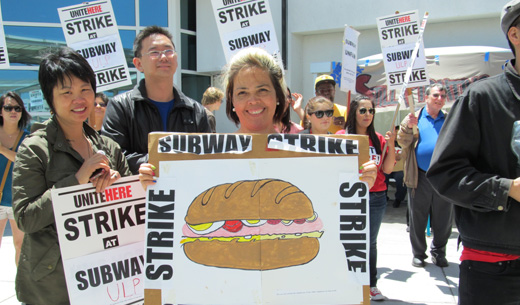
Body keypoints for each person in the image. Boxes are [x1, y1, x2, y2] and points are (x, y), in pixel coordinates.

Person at [139, 48, 378, 192]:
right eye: (242, 92)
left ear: (278, 97)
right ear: (232, 101)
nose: (253, 101)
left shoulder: (306, 153)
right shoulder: (207, 157)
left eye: (262, 90)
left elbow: (328, 201)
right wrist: (157, 182)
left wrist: (357, 181)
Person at [12, 47, 131, 305]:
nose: (79, 99)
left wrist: (119, 183)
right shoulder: (35, 149)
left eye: (85, 89)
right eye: (66, 92)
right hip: (52, 287)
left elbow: (130, 209)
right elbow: (25, 219)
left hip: (104, 278)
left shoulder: (109, 148)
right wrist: (76, 181)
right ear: (50, 99)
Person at [427, 1, 520, 303]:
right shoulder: (482, 97)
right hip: (495, 267)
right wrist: (506, 189)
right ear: (515, 35)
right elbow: (444, 174)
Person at [103, 25, 211, 174]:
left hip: (186, 193)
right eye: (154, 52)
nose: (164, 57)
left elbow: (209, 157)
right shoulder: (120, 106)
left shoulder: (195, 110)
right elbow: (113, 157)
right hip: (141, 193)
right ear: (138, 64)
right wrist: (154, 162)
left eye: (169, 51)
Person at [336, 95, 396, 301]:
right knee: (347, 241)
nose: (367, 115)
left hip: (376, 197)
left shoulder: (379, 139)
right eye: (363, 110)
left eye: (371, 111)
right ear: (353, 112)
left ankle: (371, 285)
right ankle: (347, 283)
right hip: (349, 197)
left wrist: (392, 144)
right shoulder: (342, 136)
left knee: (370, 242)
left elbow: (387, 169)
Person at [397, 83, 453, 269]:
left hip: (443, 177)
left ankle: (439, 252)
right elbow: (402, 142)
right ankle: (419, 254)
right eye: (436, 95)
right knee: (418, 218)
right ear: (427, 97)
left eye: (443, 96)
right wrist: (407, 127)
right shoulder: (415, 117)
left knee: (443, 218)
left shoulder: (449, 119)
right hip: (419, 176)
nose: (440, 99)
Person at [0, 92, 30, 266]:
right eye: (8, 107)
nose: (13, 111)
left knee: (20, 246)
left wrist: (3, 150)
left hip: (17, 200)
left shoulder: (27, 138)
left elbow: (24, 160)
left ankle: (21, 289)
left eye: (17, 108)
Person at [386, 125, 407, 208]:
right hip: (388, 167)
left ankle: (398, 199)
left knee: (401, 178)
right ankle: (384, 197)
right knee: (383, 176)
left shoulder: (405, 144)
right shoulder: (387, 142)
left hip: (399, 169)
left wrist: (402, 155)